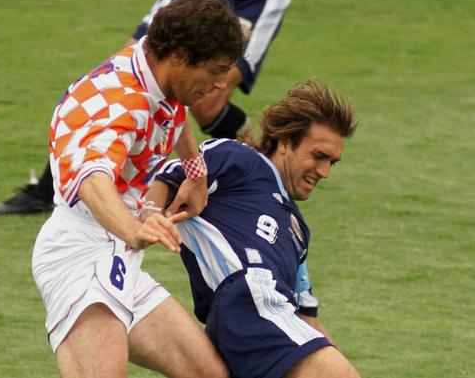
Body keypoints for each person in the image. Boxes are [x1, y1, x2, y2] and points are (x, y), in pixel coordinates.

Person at [31, 0, 244, 377]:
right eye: (214, 71)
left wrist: (195, 171)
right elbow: (93, 177)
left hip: (117, 256)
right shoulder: (119, 103)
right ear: (179, 55)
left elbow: (174, 114)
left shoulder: (154, 71)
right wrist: (134, 228)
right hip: (81, 255)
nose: (217, 85)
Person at [0, 0, 292, 215]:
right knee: (136, 67)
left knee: (207, 99)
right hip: (194, 0)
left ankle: (258, 169)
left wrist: (195, 171)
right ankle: (54, 188)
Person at [144, 79, 361, 378]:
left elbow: (306, 319)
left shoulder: (298, 232)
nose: (324, 172)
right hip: (247, 302)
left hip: (268, 316)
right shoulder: (239, 159)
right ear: (285, 142)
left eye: (332, 163)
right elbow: (170, 175)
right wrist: (147, 217)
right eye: (318, 156)